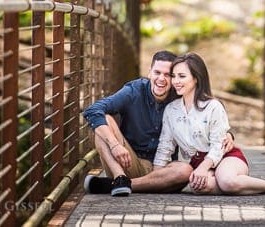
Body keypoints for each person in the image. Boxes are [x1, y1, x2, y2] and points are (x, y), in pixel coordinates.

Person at [153, 52, 265, 195]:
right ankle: (235, 183)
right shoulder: (171, 110)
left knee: (228, 182)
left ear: (196, 78)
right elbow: (165, 146)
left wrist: (203, 168)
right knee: (200, 186)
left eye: (182, 76)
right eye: (173, 76)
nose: (175, 81)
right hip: (198, 162)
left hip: (225, 157)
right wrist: (156, 177)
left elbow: (218, 146)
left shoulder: (212, 107)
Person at [82, 50, 234, 196]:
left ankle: (116, 185)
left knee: (185, 170)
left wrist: (228, 134)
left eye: (168, 74)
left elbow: (210, 110)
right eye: (157, 72)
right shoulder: (134, 91)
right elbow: (93, 111)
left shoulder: (179, 94)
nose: (161, 78)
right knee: (103, 121)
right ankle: (119, 177)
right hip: (127, 161)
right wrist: (115, 145)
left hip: (163, 171)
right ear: (149, 72)